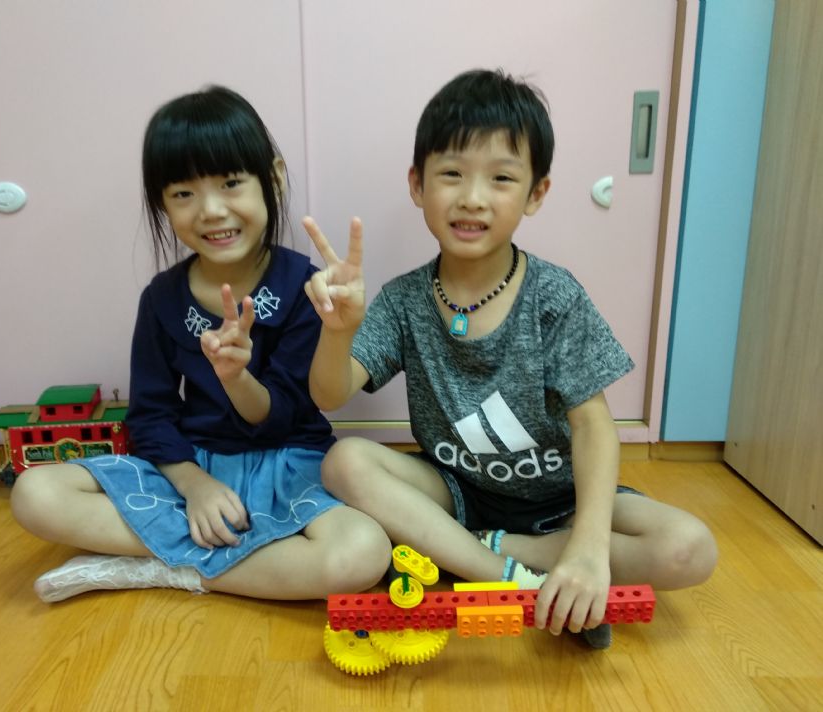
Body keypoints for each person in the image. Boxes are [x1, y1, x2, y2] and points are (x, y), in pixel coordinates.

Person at [302, 69, 717, 649]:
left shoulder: (554, 297)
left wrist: (589, 548)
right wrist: (338, 332)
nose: (473, 197)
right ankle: (506, 576)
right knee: (344, 461)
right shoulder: (402, 300)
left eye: (500, 178)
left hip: (562, 500)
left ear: (535, 194)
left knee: (690, 548)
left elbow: (593, 425)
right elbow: (328, 394)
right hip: (456, 490)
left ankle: (480, 551)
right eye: (452, 174)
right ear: (418, 184)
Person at [11, 86, 391, 604]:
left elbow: (281, 417)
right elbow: (151, 417)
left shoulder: (306, 288)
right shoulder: (162, 298)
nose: (211, 210)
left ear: (274, 178)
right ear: (162, 204)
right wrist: (195, 486)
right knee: (34, 493)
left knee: (362, 552)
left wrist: (236, 378)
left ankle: (163, 566)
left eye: (231, 183)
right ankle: (229, 561)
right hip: (190, 467)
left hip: (288, 466)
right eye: (183, 194)